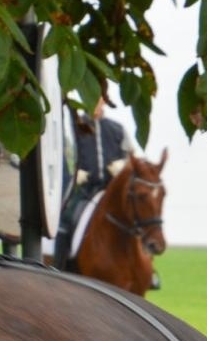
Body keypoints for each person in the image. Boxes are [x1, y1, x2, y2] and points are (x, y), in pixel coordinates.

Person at [55, 96, 142, 268]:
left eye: (99, 99)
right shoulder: (76, 127)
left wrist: (123, 166)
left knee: (138, 216)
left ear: (104, 101)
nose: (95, 102)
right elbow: (68, 153)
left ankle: (145, 269)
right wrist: (75, 174)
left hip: (112, 189)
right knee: (66, 218)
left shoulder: (117, 129)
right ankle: (61, 266)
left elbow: (132, 158)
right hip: (84, 189)